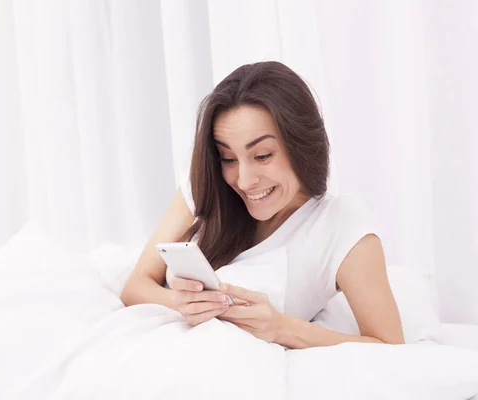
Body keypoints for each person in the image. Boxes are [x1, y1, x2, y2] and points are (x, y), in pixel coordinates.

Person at [120, 61, 404, 348]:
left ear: (303, 146)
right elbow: (135, 287)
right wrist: (180, 303)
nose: (243, 181)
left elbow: (389, 346)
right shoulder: (206, 186)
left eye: (263, 155)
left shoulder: (339, 224)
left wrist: (281, 328)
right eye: (228, 159)